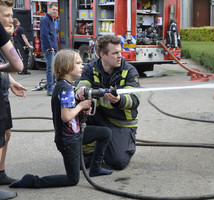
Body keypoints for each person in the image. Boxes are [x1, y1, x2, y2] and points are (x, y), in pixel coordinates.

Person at [9, 49, 113, 189]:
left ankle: (95, 168)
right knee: (72, 179)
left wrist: (80, 108)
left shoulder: (64, 86)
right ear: (66, 67)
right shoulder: (66, 89)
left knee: (105, 133)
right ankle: (32, 181)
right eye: (78, 63)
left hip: (74, 134)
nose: (82, 65)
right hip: (68, 140)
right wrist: (80, 105)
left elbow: (68, 110)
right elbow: (66, 116)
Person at [75, 35, 141, 170]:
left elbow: (134, 99)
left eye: (120, 52)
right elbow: (82, 83)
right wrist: (81, 90)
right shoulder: (90, 68)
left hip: (121, 123)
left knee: (117, 162)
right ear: (102, 54)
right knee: (75, 107)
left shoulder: (129, 71)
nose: (120, 56)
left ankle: (127, 144)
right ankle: (90, 152)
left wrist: (119, 100)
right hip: (100, 118)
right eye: (115, 53)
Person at [0, 1, 24, 199]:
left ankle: (0, 173)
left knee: (6, 133)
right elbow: (17, 64)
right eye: (6, 15)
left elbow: (2, 64)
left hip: (2, 91)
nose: (11, 20)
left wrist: (10, 81)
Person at [40, 2, 58, 96]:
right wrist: (49, 47)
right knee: (50, 69)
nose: (55, 11)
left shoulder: (52, 19)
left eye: (56, 10)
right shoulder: (45, 19)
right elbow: (44, 34)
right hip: (49, 49)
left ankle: (52, 87)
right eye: (54, 9)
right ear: (49, 9)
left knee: (54, 69)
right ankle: (50, 89)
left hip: (54, 47)